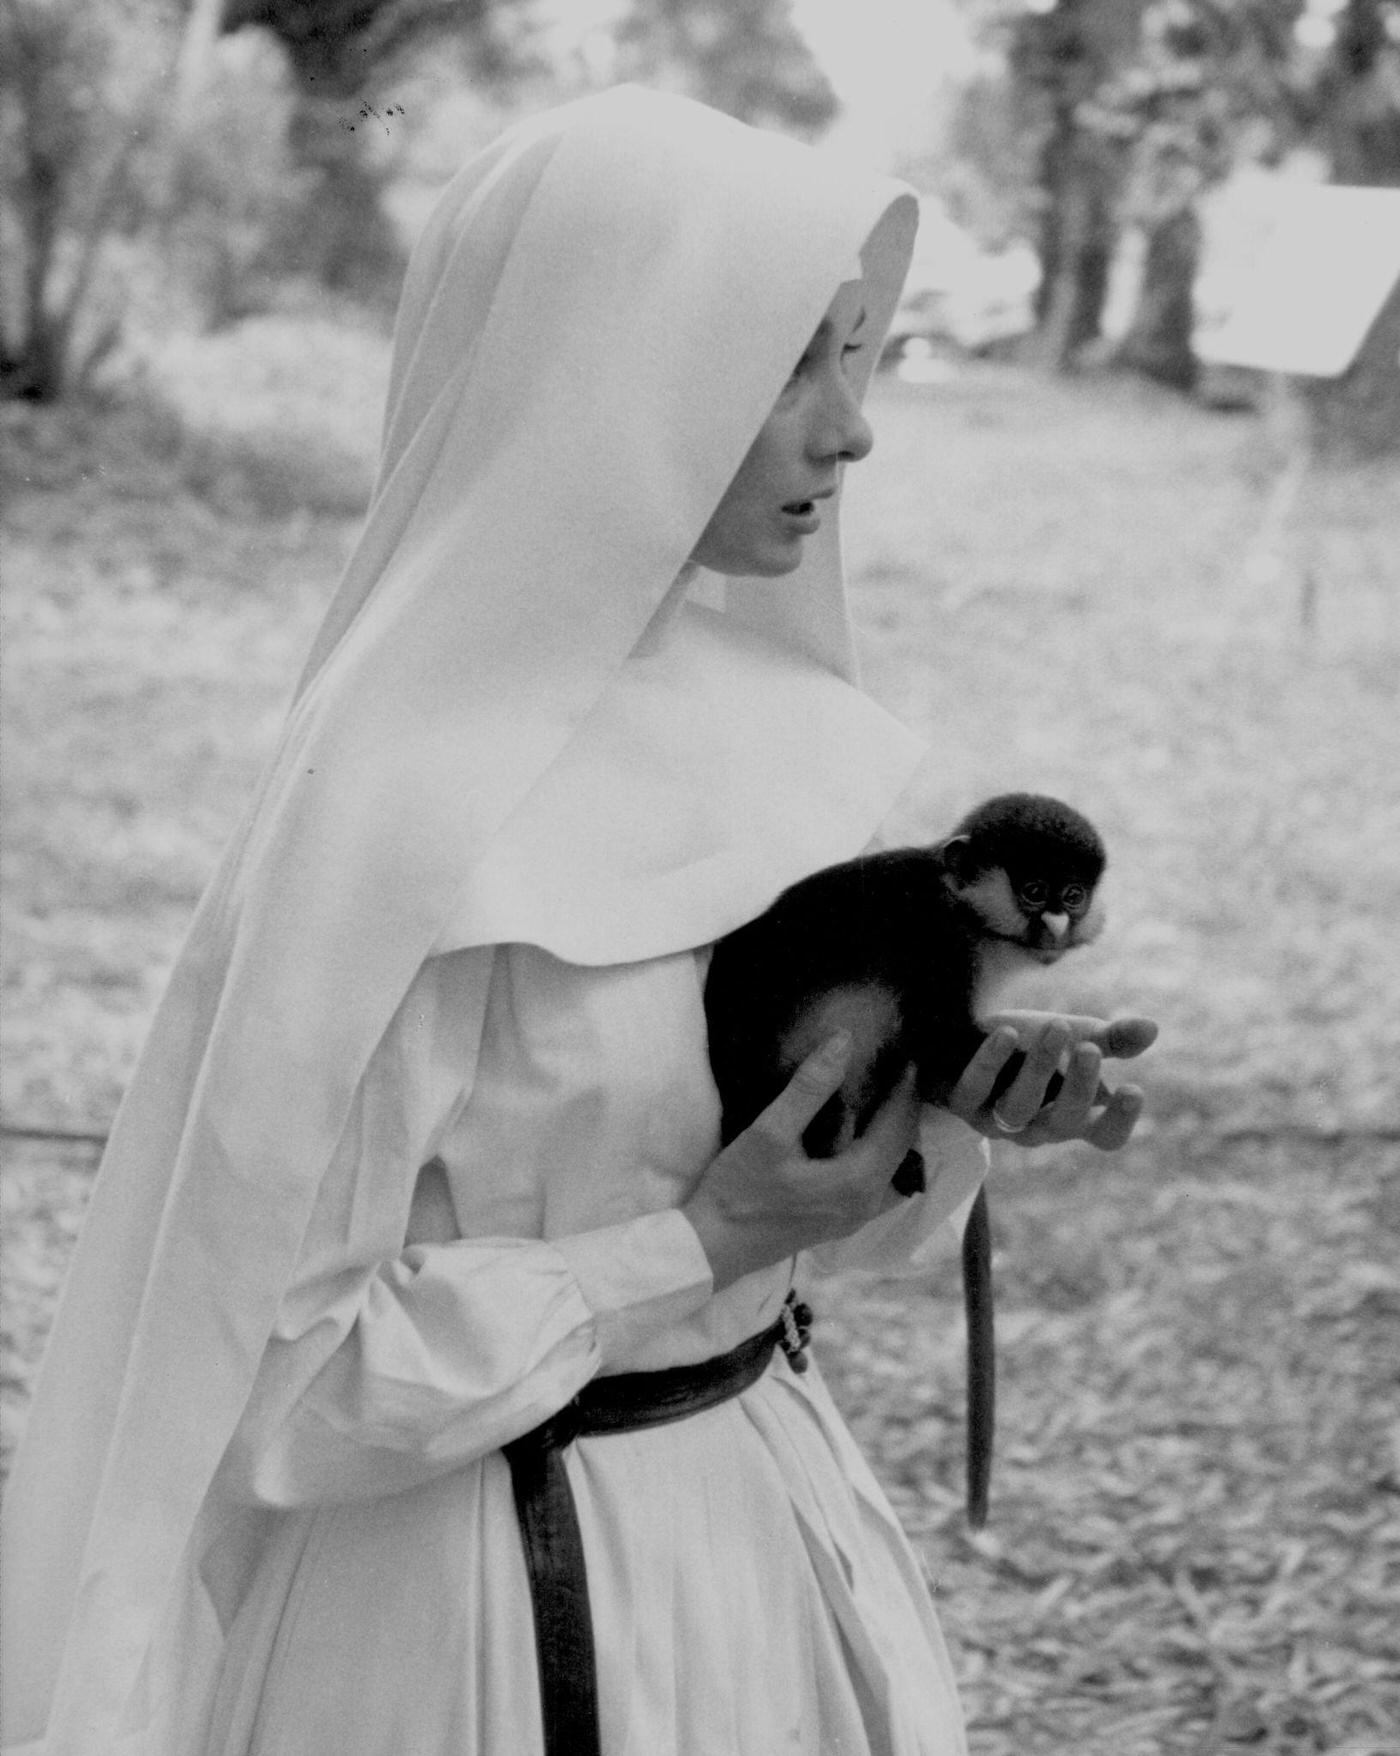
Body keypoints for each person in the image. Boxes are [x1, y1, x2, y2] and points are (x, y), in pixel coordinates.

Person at [0, 86, 1151, 1756]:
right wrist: (687, 1246)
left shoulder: (769, 734)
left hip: (760, 1546)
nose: (853, 433)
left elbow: (815, 1215)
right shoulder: (402, 815)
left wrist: (956, 1110)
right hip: (477, 1620)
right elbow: (281, 1383)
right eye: (788, 366)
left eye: (860, 359)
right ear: (611, 380)